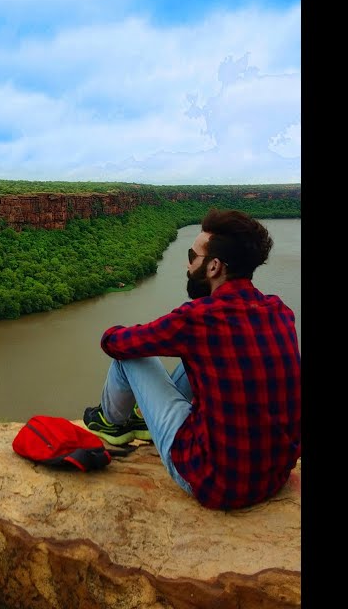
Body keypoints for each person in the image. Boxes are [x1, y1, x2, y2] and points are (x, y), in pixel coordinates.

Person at [82, 208, 301, 509]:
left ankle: (113, 424)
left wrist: (112, 331)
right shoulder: (280, 311)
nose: (187, 264)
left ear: (213, 267)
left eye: (191, 255)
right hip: (273, 478)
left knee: (131, 357)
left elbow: (117, 344)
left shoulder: (197, 320)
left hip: (215, 483)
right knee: (211, 357)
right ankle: (144, 422)